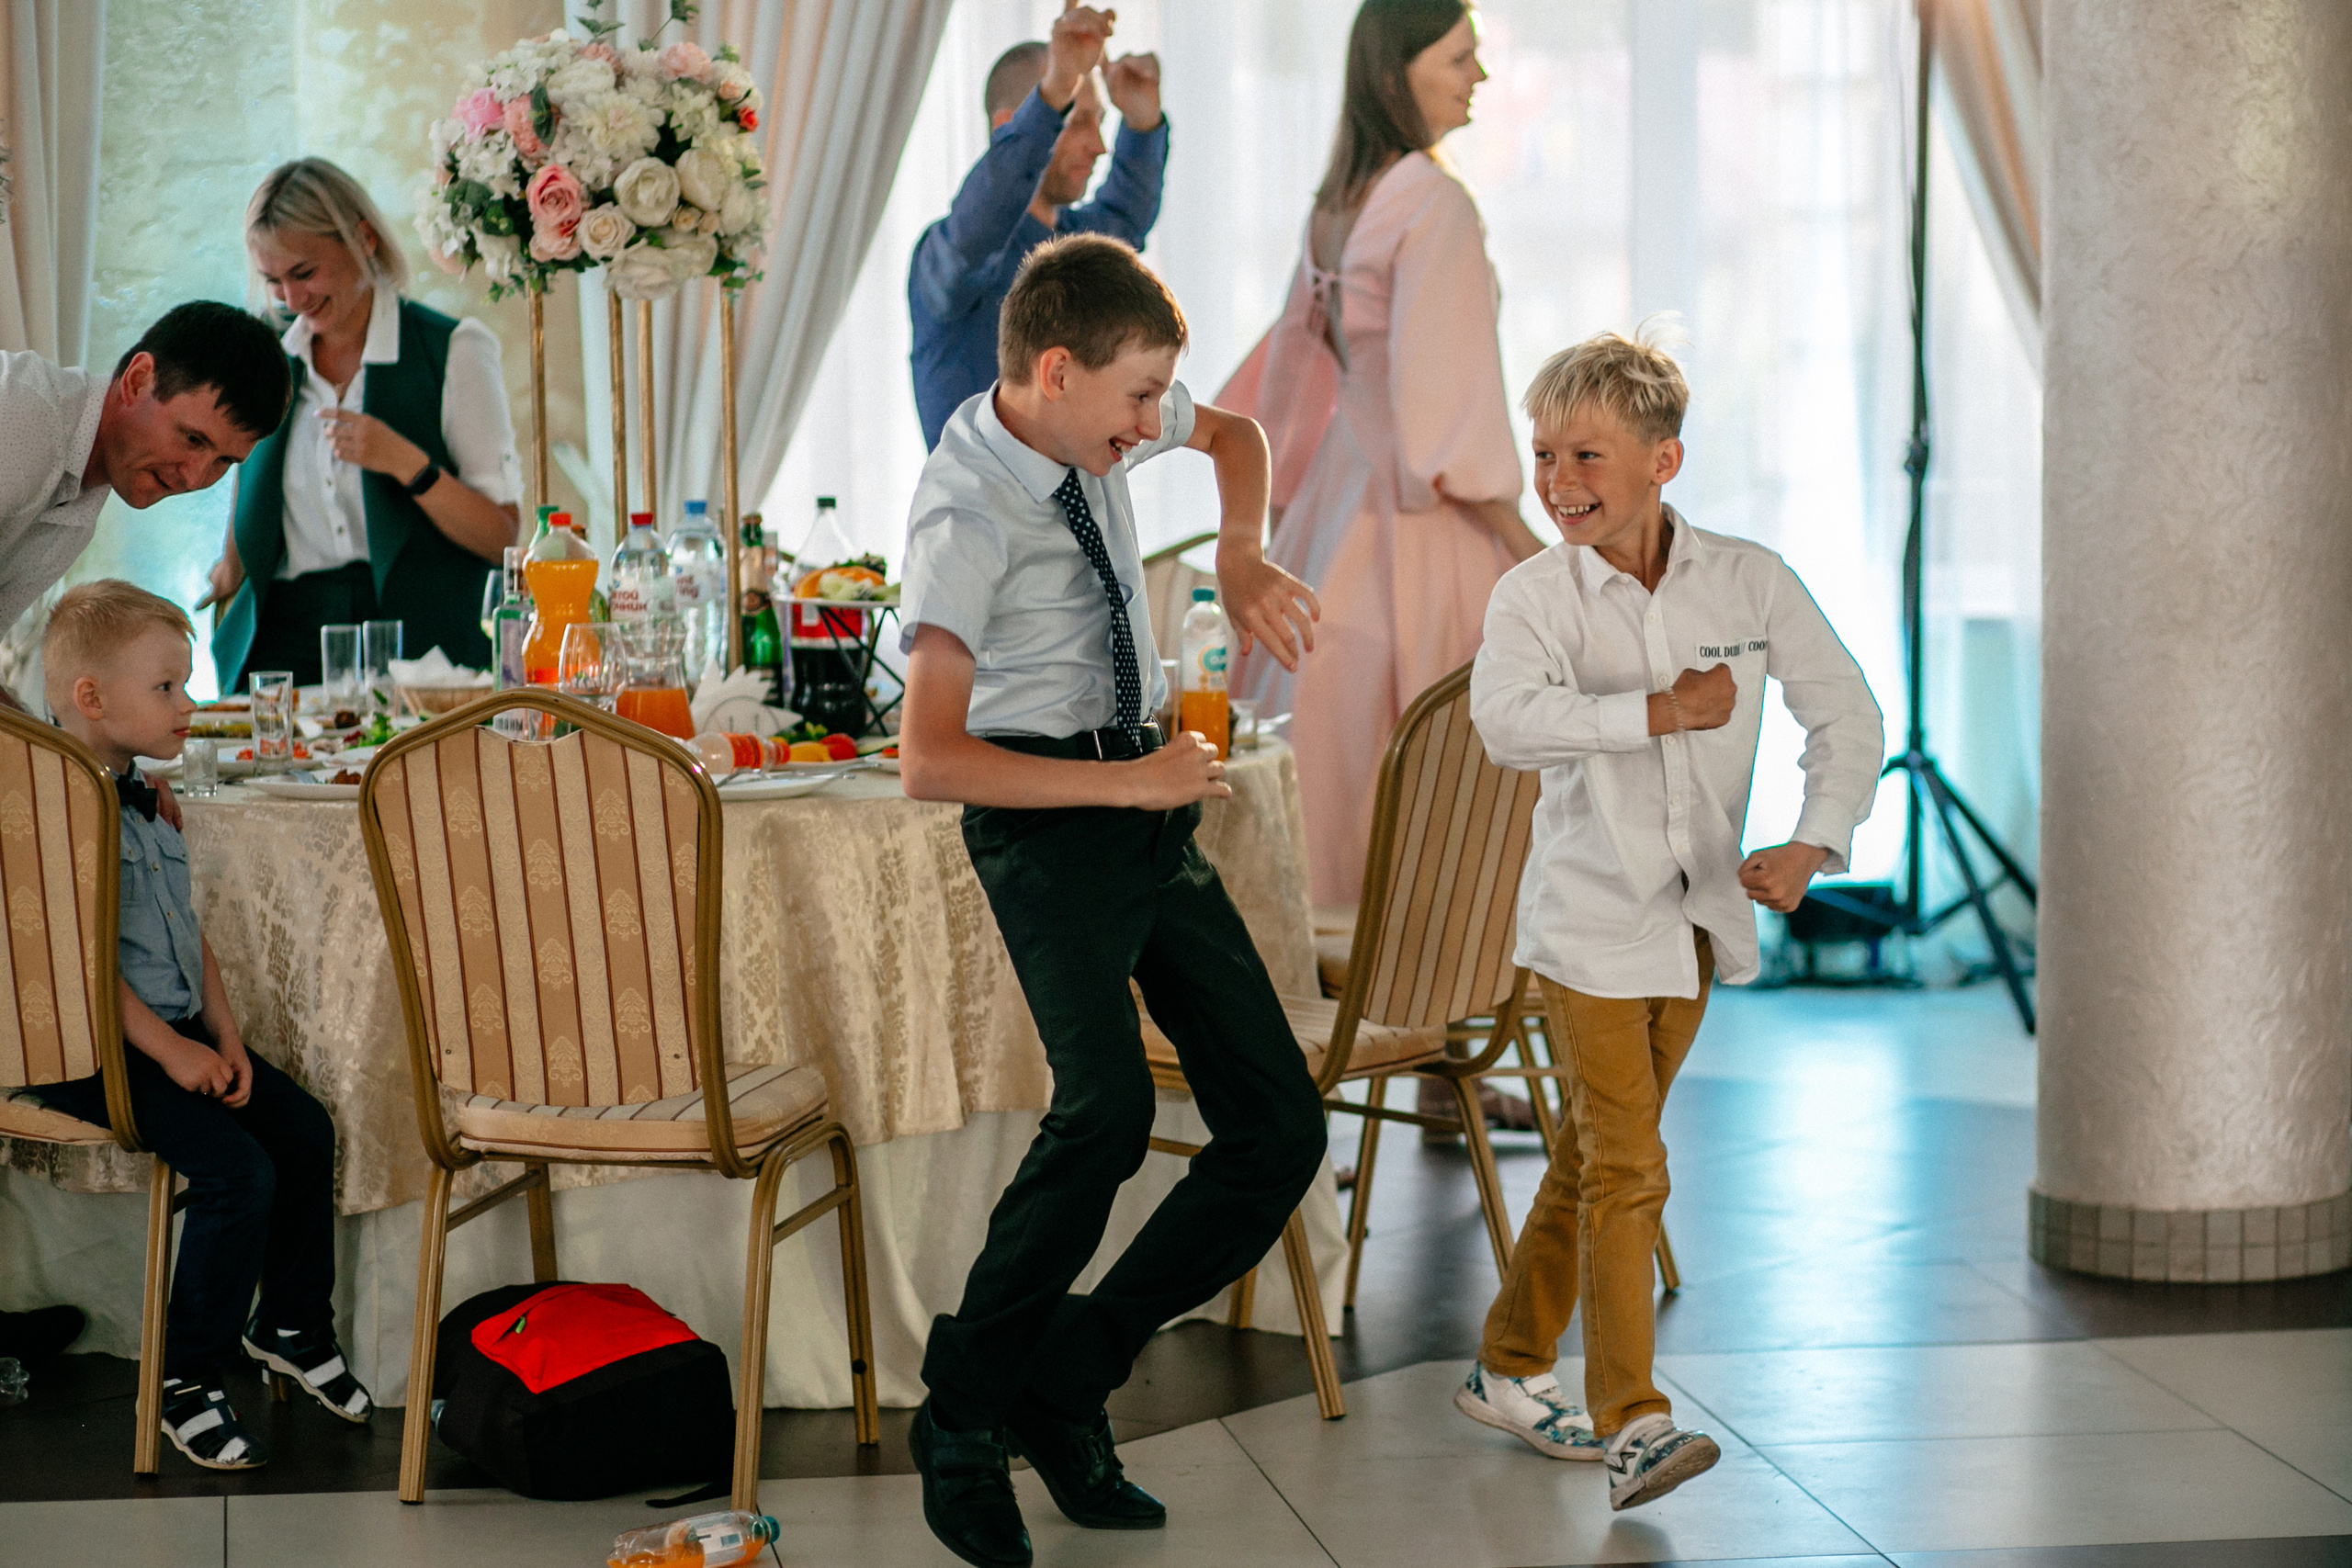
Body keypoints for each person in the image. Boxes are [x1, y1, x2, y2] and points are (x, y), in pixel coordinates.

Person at [896, 233, 1324, 1568]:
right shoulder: (968, 511)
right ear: (1060, 369)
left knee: (1278, 1125)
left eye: (1159, 403)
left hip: (1145, 810)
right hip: (1047, 826)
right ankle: (962, 1412)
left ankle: (1068, 1369)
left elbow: (1240, 432)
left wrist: (1243, 548)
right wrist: (1132, 786)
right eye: (1139, 402)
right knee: (1108, 1113)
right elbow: (927, 761)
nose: (1154, 427)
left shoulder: (1096, 418)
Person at [1454, 327, 1883, 1510]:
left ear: (1663, 461)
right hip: (1587, 925)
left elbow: (1846, 713)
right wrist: (1656, 711)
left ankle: (1505, 1362)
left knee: (1597, 1159)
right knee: (1632, 1170)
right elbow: (1505, 724)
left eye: (1586, 454)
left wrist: (1814, 838)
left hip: (1695, 921)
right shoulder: (1531, 597)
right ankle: (1633, 1420)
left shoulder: (1747, 580)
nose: (1556, 482)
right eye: (1543, 455)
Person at [29, 581, 371, 1469]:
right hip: (92, 1046)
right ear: (91, 698)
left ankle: (292, 1323)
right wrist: (170, 1050)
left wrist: (219, 1033)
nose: (190, 705)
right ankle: (188, 1377)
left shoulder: (146, 799)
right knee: (236, 1173)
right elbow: (74, 968)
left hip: (172, 1031)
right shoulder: (57, 812)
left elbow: (189, 933)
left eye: (187, 685)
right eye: (168, 689)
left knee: (301, 1128)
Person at [1218, 0, 1543, 909]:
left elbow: (1289, 378)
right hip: (1420, 523)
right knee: (1449, 775)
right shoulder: (1434, 202)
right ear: (1398, 71)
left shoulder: (1335, 206)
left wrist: (1284, 518)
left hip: (1335, 511)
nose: (1477, 75)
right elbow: (1447, 413)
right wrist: (1530, 548)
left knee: (1331, 751)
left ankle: (1338, 982)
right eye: (1460, 56)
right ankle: (1435, 992)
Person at [203, 158, 521, 693]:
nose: (293, 300)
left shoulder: (454, 350)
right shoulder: (266, 352)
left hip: (423, 642)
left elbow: (503, 540)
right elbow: (248, 461)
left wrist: (407, 463)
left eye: (304, 272)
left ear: (365, 239)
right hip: (287, 633)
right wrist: (231, 564)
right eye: (273, 281)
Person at [909, 1, 1168, 449]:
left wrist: (1143, 123)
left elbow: (1126, 217)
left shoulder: (1073, 244)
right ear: (1008, 125)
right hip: (980, 518)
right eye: (1078, 121)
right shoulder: (950, 256)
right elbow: (982, 222)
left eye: (1100, 123)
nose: (1100, 146)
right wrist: (1056, 89)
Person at [0, 300, 288, 678]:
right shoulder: (24, 412)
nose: (194, 477)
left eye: (225, 461)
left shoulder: (80, 498)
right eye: (192, 438)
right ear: (138, 380)